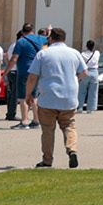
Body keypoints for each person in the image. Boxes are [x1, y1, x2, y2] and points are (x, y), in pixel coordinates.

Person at [25, 28, 87, 168]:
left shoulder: (43, 54)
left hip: (48, 96)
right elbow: (84, 72)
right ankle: (72, 150)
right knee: (69, 125)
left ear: (51, 39)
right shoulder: (74, 53)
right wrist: (74, 78)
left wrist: (28, 94)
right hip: (69, 97)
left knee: (47, 130)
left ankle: (47, 160)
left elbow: (32, 77)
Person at [4, 26, 46, 127]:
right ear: (33, 30)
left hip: (23, 71)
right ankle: (36, 120)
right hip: (36, 70)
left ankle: (24, 120)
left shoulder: (21, 42)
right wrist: (49, 30)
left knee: (23, 97)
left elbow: (14, 59)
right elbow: (49, 37)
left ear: (23, 32)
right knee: (34, 96)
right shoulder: (40, 38)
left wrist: (6, 72)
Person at [79, 40, 102, 114]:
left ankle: (80, 106)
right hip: (95, 72)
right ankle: (91, 108)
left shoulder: (82, 54)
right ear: (94, 46)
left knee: (82, 90)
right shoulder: (97, 53)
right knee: (93, 91)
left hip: (86, 71)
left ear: (86, 46)